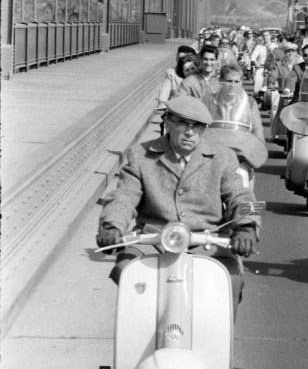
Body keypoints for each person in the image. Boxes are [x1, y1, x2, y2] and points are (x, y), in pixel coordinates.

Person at [97, 96, 258, 321]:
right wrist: (111, 225)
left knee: (230, 281)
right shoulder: (140, 155)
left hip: (207, 243)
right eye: (182, 123)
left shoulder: (223, 157)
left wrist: (247, 226)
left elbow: (242, 195)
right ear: (168, 122)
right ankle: (137, 339)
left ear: (204, 130)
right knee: (126, 271)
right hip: (153, 242)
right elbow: (123, 197)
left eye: (197, 126)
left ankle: (216, 347)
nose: (190, 132)